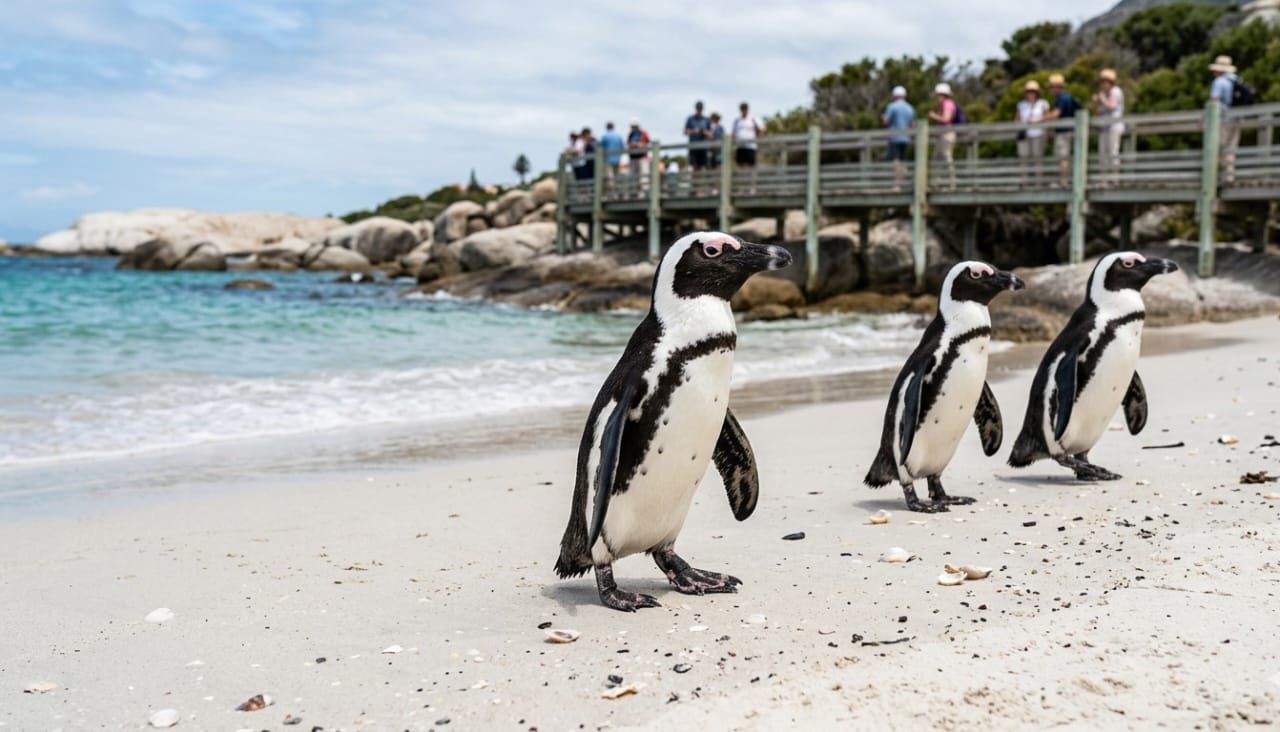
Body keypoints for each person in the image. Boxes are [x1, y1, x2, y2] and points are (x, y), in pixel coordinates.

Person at [1043, 74, 1079, 186]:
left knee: (1062, 157)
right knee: (1063, 157)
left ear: (1057, 87)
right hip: (1068, 131)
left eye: (1051, 87)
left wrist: (1040, 118)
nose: (1050, 90)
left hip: (1064, 132)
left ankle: (1063, 182)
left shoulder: (1063, 98)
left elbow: (1056, 114)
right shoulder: (1067, 97)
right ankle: (1064, 181)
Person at [1209, 55, 1241, 182]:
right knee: (1231, 149)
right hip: (1237, 118)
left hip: (1223, 120)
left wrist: (1205, 118)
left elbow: (1214, 100)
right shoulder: (1236, 80)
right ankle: (1229, 177)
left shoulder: (1219, 82)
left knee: (1217, 147)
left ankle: (1215, 178)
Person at [1093, 69, 1125, 185]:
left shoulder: (1116, 91)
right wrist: (1096, 103)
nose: (1103, 84)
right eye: (1102, 82)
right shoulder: (1103, 94)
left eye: (1105, 82)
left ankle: (1114, 179)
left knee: (1113, 151)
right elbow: (1098, 113)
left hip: (1114, 126)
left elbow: (1112, 107)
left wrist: (1102, 99)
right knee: (1102, 153)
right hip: (1104, 127)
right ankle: (1104, 180)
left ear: (1111, 82)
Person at [882, 85, 915, 192]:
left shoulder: (892, 107)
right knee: (903, 161)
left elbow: (886, 121)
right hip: (906, 138)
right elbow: (912, 125)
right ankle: (903, 181)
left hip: (894, 138)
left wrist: (883, 118)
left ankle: (897, 185)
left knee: (896, 162)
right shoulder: (910, 108)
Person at [1016, 80, 1049, 183]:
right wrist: (1021, 128)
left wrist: (1045, 133)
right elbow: (1017, 119)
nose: (1031, 94)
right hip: (1025, 135)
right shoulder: (1021, 105)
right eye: (1029, 91)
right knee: (1023, 159)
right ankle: (1024, 182)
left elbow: (1047, 118)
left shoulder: (1043, 103)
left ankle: (1038, 183)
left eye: (1033, 91)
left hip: (1038, 134)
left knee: (1037, 159)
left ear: (1037, 93)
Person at [929, 82, 958, 190]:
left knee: (947, 158)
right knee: (936, 158)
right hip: (942, 134)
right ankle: (936, 183)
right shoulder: (945, 104)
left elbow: (946, 119)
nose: (937, 98)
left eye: (938, 95)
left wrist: (934, 116)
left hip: (946, 134)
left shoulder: (948, 104)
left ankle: (952, 183)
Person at [732, 101, 764, 192]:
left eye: (745, 108)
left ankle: (752, 188)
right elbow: (734, 133)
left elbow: (762, 130)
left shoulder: (753, 119)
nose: (743, 110)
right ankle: (741, 188)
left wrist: (756, 127)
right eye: (742, 108)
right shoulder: (737, 120)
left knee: (752, 167)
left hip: (751, 146)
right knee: (741, 167)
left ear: (747, 109)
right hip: (740, 147)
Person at [684, 100, 712, 176]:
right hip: (693, 147)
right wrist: (694, 131)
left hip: (703, 147)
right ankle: (695, 187)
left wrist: (704, 132)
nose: (699, 110)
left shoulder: (706, 120)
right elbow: (685, 132)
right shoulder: (690, 119)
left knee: (702, 168)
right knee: (694, 167)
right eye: (698, 108)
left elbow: (711, 134)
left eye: (700, 108)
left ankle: (701, 187)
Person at [626, 119, 651, 185]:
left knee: (643, 177)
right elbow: (628, 143)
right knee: (633, 177)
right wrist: (632, 145)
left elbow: (648, 142)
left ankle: (643, 193)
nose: (633, 128)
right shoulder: (630, 134)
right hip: (633, 158)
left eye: (634, 126)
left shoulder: (643, 133)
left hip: (642, 158)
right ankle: (635, 192)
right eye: (632, 126)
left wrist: (641, 145)